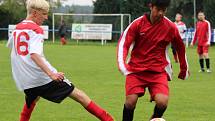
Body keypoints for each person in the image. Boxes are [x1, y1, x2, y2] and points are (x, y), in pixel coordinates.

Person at [7, 0, 114, 121]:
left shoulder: (17, 29)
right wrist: (51, 74)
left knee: (32, 99)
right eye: (44, 14)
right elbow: (34, 54)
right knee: (80, 96)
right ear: (35, 13)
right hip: (41, 78)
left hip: (24, 80)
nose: (46, 17)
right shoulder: (36, 30)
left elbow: (14, 50)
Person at [117, 0, 189, 120]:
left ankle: (153, 119)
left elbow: (180, 47)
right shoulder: (138, 23)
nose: (161, 13)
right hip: (136, 69)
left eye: (164, 10)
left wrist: (184, 69)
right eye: (158, 9)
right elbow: (123, 43)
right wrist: (122, 64)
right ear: (151, 6)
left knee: (162, 102)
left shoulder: (170, 27)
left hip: (158, 70)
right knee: (130, 101)